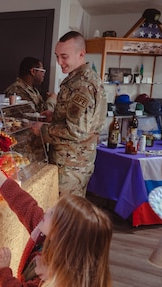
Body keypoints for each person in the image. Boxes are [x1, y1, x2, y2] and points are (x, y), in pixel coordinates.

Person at [0, 157, 113, 287]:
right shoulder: (50, 237)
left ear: (62, 234)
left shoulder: (50, 279)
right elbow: (25, 205)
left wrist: (4, 272)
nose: (47, 210)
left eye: (53, 213)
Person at [31, 31, 107, 197]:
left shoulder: (82, 84)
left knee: (66, 217)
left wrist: (43, 130)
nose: (59, 62)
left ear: (81, 54)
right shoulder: (81, 78)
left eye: (64, 56)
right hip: (73, 162)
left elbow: (77, 131)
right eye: (57, 56)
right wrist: (55, 116)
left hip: (71, 166)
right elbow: (79, 121)